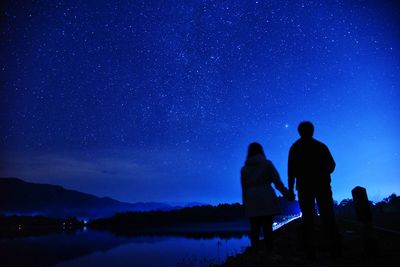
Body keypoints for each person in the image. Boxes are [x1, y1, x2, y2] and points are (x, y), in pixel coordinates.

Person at [288, 121, 341, 258]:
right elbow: (332, 165)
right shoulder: (320, 146)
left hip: (304, 187)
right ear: (312, 131)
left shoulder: (295, 147)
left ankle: (309, 251)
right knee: (327, 215)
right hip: (322, 185)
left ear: (299, 132)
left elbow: (291, 171)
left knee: (308, 217)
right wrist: (323, 172)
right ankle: (335, 248)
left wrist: (290, 188)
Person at [241, 142, 291, 252]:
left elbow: (244, 189)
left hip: (252, 199)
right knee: (268, 227)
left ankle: (255, 252)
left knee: (254, 227)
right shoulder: (267, 164)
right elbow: (277, 182)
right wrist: (287, 194)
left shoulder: (244, 169)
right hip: (266, 197)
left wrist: (245, 204)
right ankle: (270, 252)